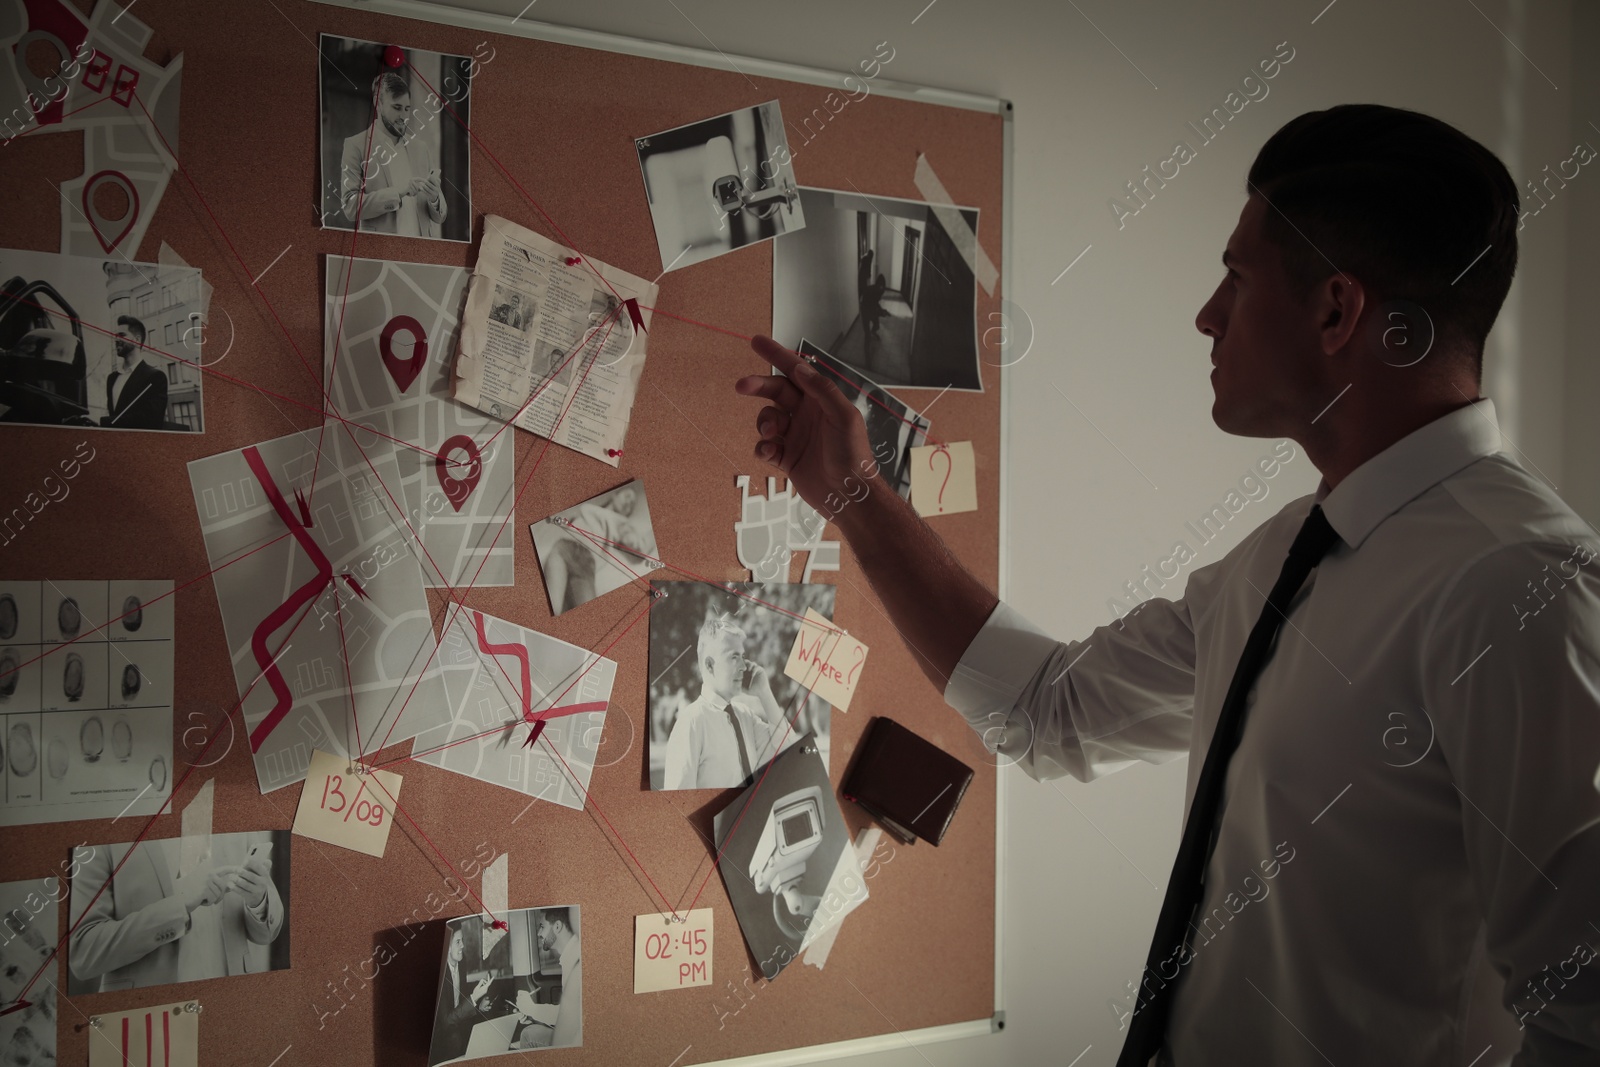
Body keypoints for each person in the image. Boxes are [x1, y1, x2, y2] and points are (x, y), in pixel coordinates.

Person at [734, 103, 1600, 1065]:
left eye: (1236, 273)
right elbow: (1047, 709)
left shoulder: (1522, 587)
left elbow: (1586, 1011)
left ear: (1336, 310)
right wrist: (856, 493)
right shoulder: (1281, 559)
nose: (1207, 314)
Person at [69, 835, 283, 992]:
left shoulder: (232, 812)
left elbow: (267, 933)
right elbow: (84, 954)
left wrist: (258, 900)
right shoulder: (103, 829)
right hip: (149, 1017)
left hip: (233, 1004)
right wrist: (180, 904)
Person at [662, 613, 788, 789]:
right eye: (734, 657)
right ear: (709, 665)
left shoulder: (745, 716)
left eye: (743, 656)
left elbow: (788, 752)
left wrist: (764, 693)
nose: (744, 666)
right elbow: (677, 802)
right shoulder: (691, 722)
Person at [340, 71, 445, 239]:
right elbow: (350, 207)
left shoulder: (421, 148)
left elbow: (440, 216)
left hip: (421, 253)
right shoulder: (355, 146)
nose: (404, 116)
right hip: (381, 253)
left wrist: (434, 199)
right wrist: (397, 193)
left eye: (407, 109)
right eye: (397, 108)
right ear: (378, 103)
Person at [513, 908, 581, 1049]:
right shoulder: (570, 956)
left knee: (528, 1034)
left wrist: (532, 1009)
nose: (539, 933)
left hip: (578, 1040)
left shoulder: (576, 961)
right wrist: (533, 1013)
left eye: (542, 927)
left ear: (557, 926)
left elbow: (570, 1018)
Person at [429, 925, 491, 1064]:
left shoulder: (461, 964)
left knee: (482, 1027)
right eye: (458, 941)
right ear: (447, 947)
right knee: (455, 1038)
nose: (463, 945)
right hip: (440, 1030)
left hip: (457, 1020)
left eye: (462, 940)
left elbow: (460, 994)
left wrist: (478, 1005)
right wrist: (474, 998)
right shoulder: (439, 974)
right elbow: (446, 1022)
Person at [100, 315, 167, 429]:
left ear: (137, 340)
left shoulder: (155, 377)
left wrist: (104, 422)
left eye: (121, 335)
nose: (116, 340)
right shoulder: (112, 378)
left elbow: (152, 419)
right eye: (115, 336)